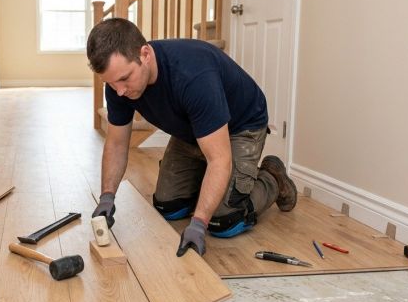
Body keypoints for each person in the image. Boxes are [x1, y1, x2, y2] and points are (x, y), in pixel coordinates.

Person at [87, 18, 297, 257]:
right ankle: (214, 187)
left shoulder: (193, 75)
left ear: (145, 54)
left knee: (224, 221)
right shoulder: (118, 85)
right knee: (169, 207)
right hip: (192, 131)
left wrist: (199, 222)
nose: (120, 91)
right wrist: (107, 197)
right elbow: (116, 143)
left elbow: (219, 159)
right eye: (111, 83)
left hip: (239, 127)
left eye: (125, 78)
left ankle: (272, 178)